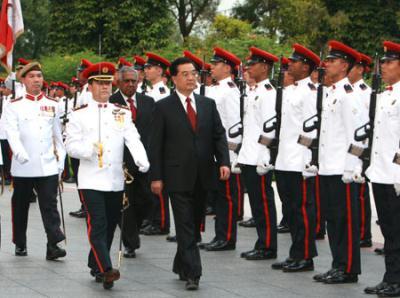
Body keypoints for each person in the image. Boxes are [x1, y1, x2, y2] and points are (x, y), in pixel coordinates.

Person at [65, 61, 149, 289]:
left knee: (111, 224)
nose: (104, 88)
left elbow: (132, 137)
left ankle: (95, 263)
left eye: (107, 83)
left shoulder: (121, 112)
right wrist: (89, 150)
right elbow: (70, 146)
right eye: (99, 84)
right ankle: (107, 268)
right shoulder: (79, 114)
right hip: (91, 179)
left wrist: (142, 159)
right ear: (90, 87)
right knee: (98, 224)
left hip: (114, 179)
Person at [149, 57, 230, 290]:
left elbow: (218, 135)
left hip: (203, 174)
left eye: (193, 73)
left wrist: (223, 161)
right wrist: (156, 176)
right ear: (173, 78)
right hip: (176, 176)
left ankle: (181, 263)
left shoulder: (207, 104)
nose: (191, 78)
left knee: (193, 225)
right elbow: (156, 145)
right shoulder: (163, 106)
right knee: (184, 224)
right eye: (185, 74)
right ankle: (194, 273)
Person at [310, 40, 364, 284]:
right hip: (328, 166)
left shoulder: (348, 96)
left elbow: (358, 135)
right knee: (332, 219)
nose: (326, 64)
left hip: (343, 169)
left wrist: (351, 167)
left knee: (346, 221)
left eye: (331, 61)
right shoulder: (331, 93)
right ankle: (337, 264)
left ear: (344, 65)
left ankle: (349, 268)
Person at [5, 62, 66, 260]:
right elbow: (12, 134)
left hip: (47, 164)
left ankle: (53, 244)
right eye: (32, 77)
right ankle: (20, 242)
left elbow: (58, 136)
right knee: (21, 205)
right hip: (23, 166)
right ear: (23, 80)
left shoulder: (53, 104)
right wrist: (20, 154)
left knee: (49, 205)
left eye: (39, 76)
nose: (37, 80)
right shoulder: (13, 106)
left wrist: (61, 161)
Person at [271, 44, 320, 272]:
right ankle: (295, 252)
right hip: (284, 160)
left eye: (295, 61)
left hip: (299, 160)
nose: (290, 64)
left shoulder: (311, 92)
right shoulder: (290, 91)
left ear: (306, 66)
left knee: (302, 210)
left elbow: (311, 130)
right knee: (290, 210)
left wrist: (307, 160)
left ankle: (306, 256)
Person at [363, 40, 400, 297]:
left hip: (396, 174)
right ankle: (390, 277)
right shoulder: (385, 95)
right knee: (388, 229)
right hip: (381, 172)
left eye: (389, 62)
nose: (383, 66)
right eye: (382, 62)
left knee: (398, 231)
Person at [235, 47, 278, 261]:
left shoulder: (268, 94)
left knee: (263, 202)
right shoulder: (254, 92)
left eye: (253, 64)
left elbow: (269, 128)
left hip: (259, 157)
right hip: (249, 156)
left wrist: (265, 156)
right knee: (256, 203)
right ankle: (262, 242)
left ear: (265, 67)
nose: (249, 67)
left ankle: (268, 245)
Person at [109, 66, 155, 258]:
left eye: (133, 81)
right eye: (126, 81)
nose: (130, 85)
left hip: (144, 160)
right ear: (118, 82)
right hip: (121, 162)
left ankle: (134, 228)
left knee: (146, 200)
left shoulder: (148, 101)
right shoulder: (111, 102)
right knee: (126, 203)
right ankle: (130, 242)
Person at [200, 47, 241, 252]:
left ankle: (227, 237)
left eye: (215, 65)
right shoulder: (215, 89)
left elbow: (234, 126)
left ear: (226, 67)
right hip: (213, 152)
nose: (212, 68)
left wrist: (230, 156)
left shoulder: (231, 91)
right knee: (217, 198)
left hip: (225, 153)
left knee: (226, 198)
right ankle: (219, 234)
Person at [141, 52, 172, 236]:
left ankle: (161, 222)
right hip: (148, 141)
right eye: (145, 67)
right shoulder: (151, 90)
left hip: (158, 142)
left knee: (158, 183)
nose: (146, 70)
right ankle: (152, 218)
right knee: (150, 183)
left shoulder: (161, 93)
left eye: (149, 67)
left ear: (159, 70)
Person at [347, 52, 374, 248]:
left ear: (360, 69)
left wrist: (361, 156)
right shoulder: (345, 90)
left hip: (360, 150)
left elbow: (364, 126)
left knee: (361, 193)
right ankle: (355, 229)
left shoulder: (366, 92)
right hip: (347, 150)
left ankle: (364, 233)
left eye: (353, 67)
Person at [69, 59, 93, 219]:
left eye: (81, 71)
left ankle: (87, 205)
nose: (78, 74)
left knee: (82, 173)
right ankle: (84, 204)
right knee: (78, 173)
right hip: (78, 137)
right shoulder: (83, 90)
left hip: (85, 139)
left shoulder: (89, 92)